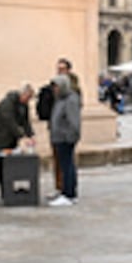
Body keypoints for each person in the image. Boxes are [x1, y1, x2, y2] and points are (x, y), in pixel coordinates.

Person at [37, 57, 80, 200]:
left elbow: (73, 117)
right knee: (59, 161)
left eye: (62, 68)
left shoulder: (71, 91)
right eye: (58, 68)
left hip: (65, 133)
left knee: (67, 163)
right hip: (57, 131)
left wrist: (71, 135)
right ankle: (60, 187)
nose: (59, 71)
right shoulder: (58, 89)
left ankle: (68, 191)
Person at [48, 74, 81, 206]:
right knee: (64, 165)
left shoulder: (70, 100)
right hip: (59, 137)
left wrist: (70, 136)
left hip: (65, 138)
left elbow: (73, 121)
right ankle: (66, 191)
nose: (55, 89)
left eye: (56, 86)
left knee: (67, 166)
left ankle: (69, 194)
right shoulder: (60, 99)